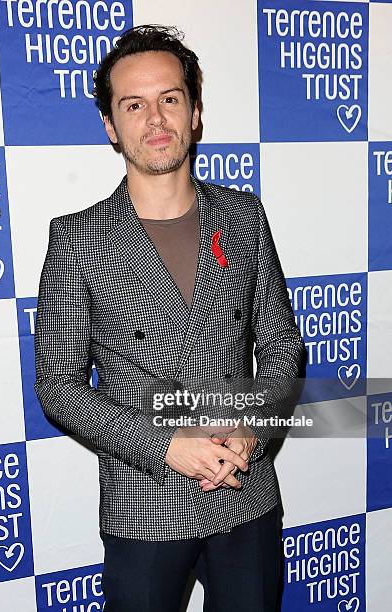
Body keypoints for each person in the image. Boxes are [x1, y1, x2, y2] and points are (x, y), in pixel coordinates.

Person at [34, 24, 306, 612]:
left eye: (170, 99)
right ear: (112, 125)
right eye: (134, 104)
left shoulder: (244, 216)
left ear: (195, 111)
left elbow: (283, 350)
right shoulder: (76, 240)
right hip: (144, 506)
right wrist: (166, 445)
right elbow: (57, 386)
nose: (155, 119)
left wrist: (251, 432)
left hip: (245, 493)